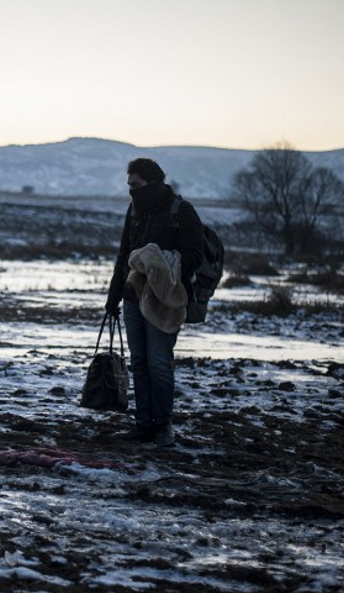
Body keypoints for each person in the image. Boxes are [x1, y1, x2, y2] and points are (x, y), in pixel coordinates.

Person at [104, 158, 203, 446]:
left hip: (164, 301)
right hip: (133, 298)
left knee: (159, 362)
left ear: (153, 182)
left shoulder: (181, 211)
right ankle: (143, 423)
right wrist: (113, 298)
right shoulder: (134, 210)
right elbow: (123, 255)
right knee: (140, 362)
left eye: (135, 185)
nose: (131, 191)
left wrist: (160, 265)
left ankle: (163, 425)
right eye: (129, 185)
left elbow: (193, 255)